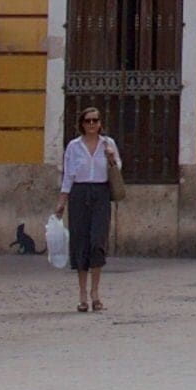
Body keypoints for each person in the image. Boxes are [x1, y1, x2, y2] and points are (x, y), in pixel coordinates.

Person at [60, 106, 121, 313]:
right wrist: (62, 201)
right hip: (79, 194)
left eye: (95, 120)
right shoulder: (73, 146)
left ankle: (95, 292)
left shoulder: (108, 143)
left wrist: (111, 157)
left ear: (100, 123)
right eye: (88, 121)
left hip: (101, 193)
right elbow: (68, 174)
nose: (92, 124)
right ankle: (82, 295)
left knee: (97, 242)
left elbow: (118, 168)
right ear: (82, 124)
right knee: (81, 243)